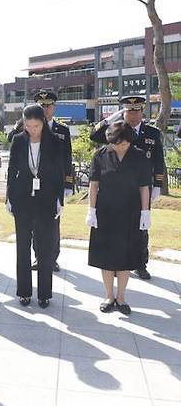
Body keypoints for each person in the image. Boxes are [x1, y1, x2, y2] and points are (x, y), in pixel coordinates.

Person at [90, 95, 165, 280]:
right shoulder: (114, 129)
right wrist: (111, 118)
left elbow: (158, 160)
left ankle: (140, 263)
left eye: (136, 110)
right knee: (116, 229)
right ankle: (116, 263)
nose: (132, 114)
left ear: (142, 111)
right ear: (123, 111)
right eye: (128, 110)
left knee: (140, 228)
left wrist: (157, 185)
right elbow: (94, 135)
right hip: (115, 190)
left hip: (140, 189)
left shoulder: (152, 133)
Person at [86, 121, 151, 315]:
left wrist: (145, 212)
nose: (121, 147)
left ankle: (121, 297)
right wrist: (91, 210)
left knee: (125, 256)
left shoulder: (139, 156)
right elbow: (93, 185)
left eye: (124, 143)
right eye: (117, 143)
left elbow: (144, 187)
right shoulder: (100, 155)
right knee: (106, 256)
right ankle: (108, 296)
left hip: (130, 212)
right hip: (105, 211)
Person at [6, 104, 64, 308]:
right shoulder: (18, 141)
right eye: (28, 125)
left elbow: (59, 172)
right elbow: (12, 171)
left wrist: (60, 199)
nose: (32, 130)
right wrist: (9, 198)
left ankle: (45, 294)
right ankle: (23, 292)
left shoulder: (55, 142)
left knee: (45, 249)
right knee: (22, 247)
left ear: (43, 123)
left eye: (36, 125)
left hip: (46, 200)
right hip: (22, 200)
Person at [30, 90, 74, 273]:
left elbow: (67, 158)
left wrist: (68, 184)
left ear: (54, 108)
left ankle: (52, 258)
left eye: (48, 105)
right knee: (35, 223)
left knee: (53, 223)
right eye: (41, 105)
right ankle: (38, 256)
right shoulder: (28, 127)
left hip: (54, 185)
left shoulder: (62, 130)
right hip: (33, 184)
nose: (45, 109)